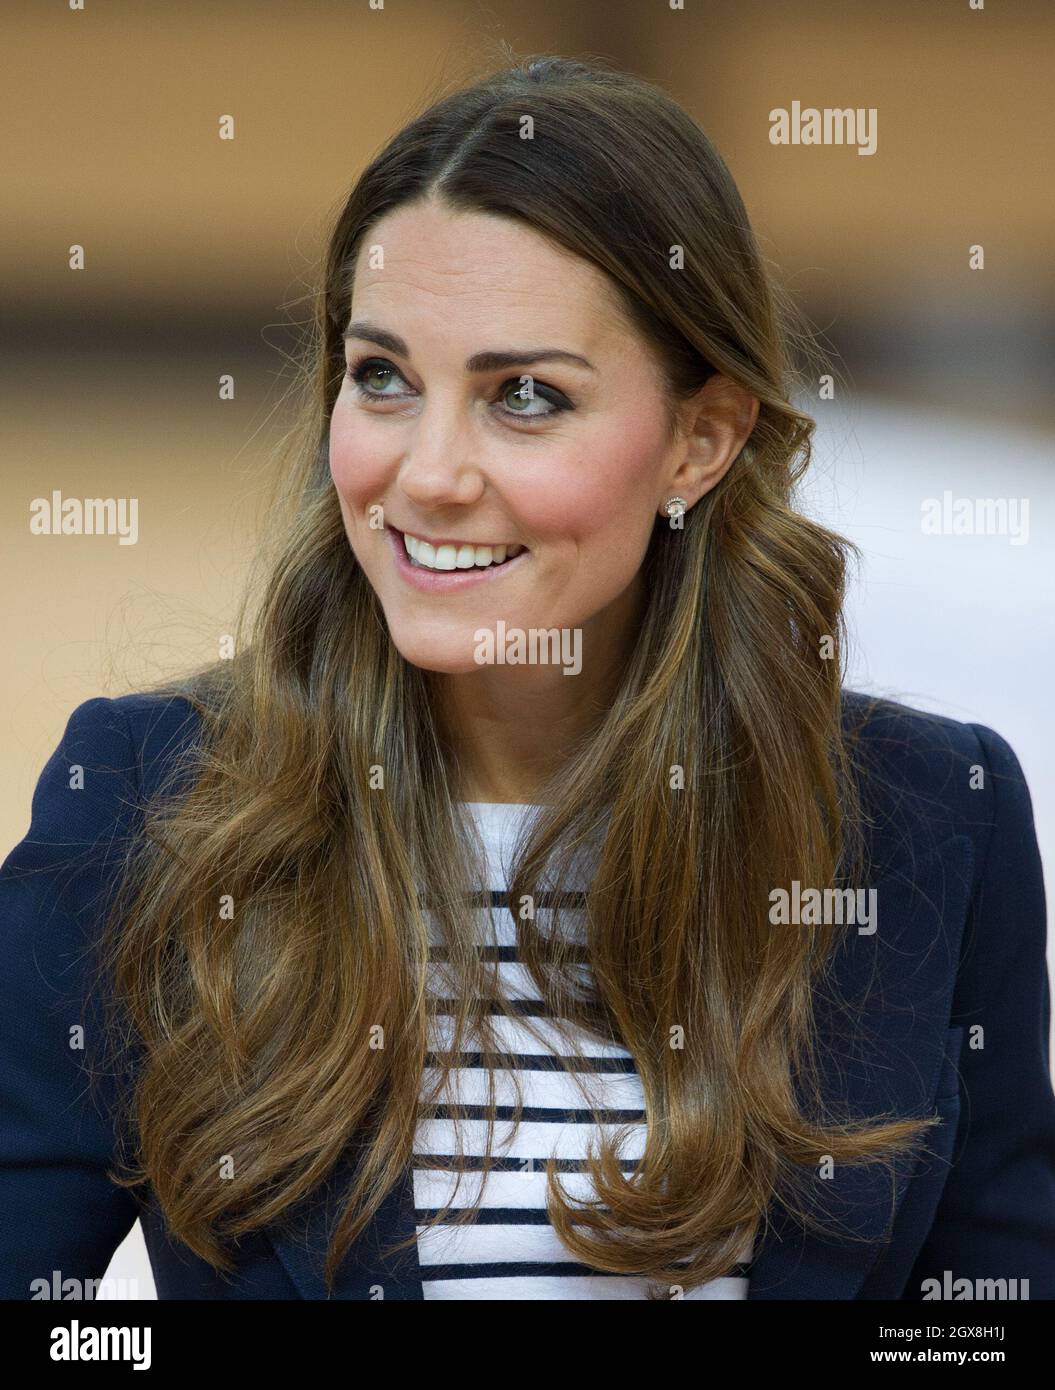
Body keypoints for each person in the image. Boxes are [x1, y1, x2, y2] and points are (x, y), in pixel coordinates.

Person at [2, 54, 1053, 1302]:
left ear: (699, 441)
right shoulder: (142, 798)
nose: (429, 474)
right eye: (382, 376)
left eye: (526, 397)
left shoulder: (935, 813)